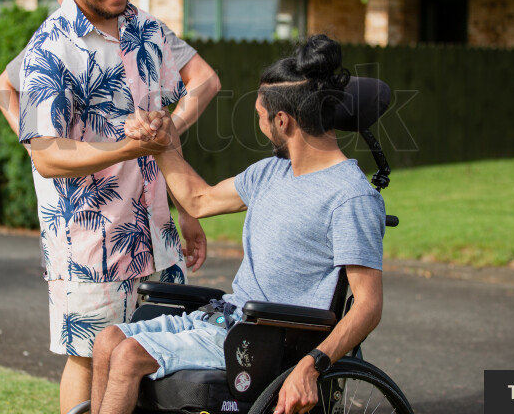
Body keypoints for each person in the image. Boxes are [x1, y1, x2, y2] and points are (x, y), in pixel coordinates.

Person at [89, 35, 386, 414]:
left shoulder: (350, 196)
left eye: (261, 117)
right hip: (227, 322)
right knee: (107, 341)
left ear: (283, 121)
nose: (260, 125)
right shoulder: (270, 173)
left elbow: (368, 305)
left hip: (266, 342)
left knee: (129, 355)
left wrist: (313, 366)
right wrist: (159, 142)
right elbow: (199, 198)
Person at [10, 0, 210, 414]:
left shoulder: (147, 29)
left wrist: (187, 207)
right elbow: (48, 156)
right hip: (91, 242)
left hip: (158, 234)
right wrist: (131, 146)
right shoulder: (48, 51)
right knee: (86, 359)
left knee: (154, 356)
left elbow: (166, 122)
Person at [0, 0, 221, 139]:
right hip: (80, 189)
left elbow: (205, 79)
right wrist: (35, 145)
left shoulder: (143, 29)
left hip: (143, 185)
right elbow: (3, 87)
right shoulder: (50, 39)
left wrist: (164, 133)